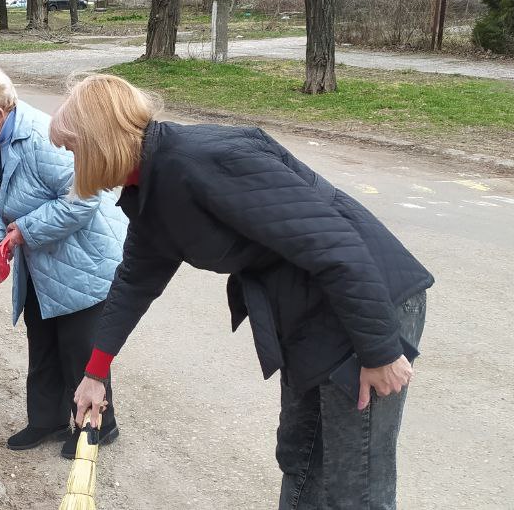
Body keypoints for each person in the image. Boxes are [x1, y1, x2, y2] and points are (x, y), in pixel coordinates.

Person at [51, 74, 432, 508]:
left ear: (99, 141)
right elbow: (135, 281)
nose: (71, 163)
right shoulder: (149, 187)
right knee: (300, 455)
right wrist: (95, 373)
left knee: (354, 485)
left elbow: (336, 245)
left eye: (72, 149)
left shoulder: (203, 162)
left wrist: (379, 350)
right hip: (309, 311)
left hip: (367, 303)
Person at [0, 64, 128, 459]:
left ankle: (97, 427)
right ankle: (45, 419)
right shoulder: (1, 141)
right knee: (43, 343)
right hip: (43, 265)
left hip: (82, 262)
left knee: (79, 349)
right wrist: (0, 244)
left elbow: (85, 196)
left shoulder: (42, 138)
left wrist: (24, 231)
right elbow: (6, 207)